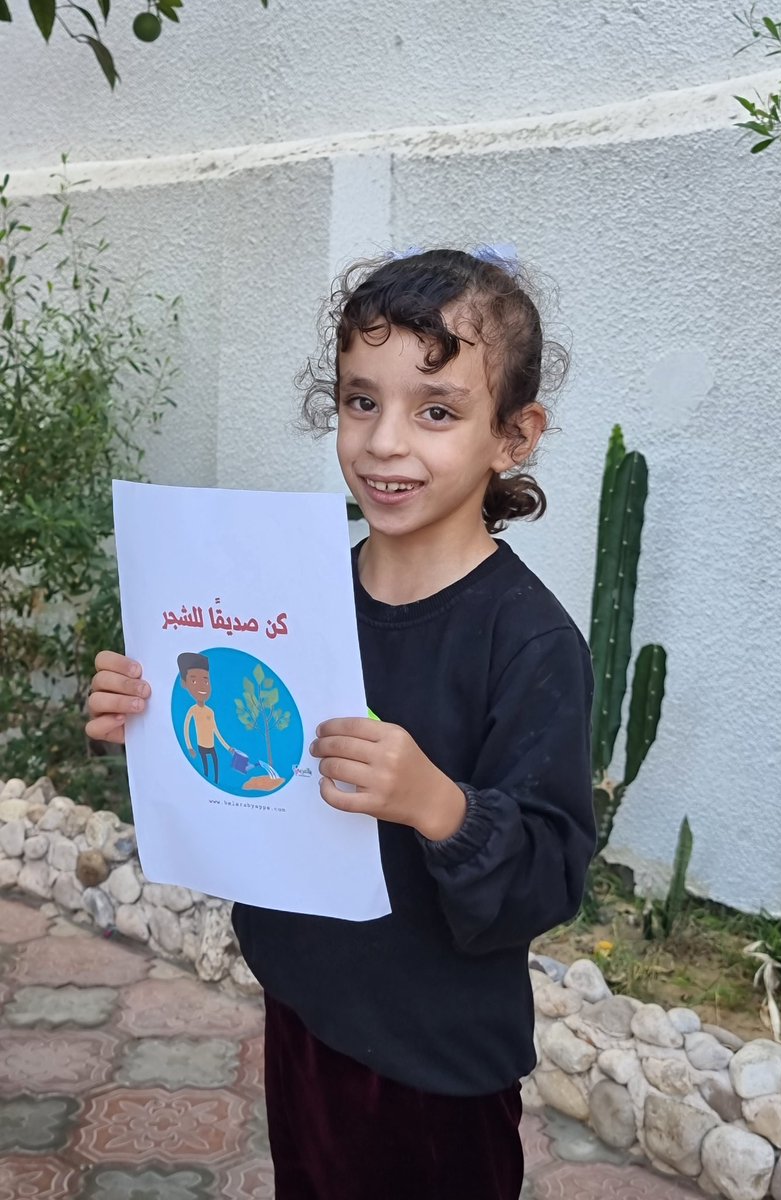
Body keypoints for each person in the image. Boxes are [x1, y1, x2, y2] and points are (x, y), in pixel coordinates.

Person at [86, 246, 596, 1200]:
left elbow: (550, 871)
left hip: (440, 1062)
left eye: (436, 410)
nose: (385, 442)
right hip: (311, 1013)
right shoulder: (293, 595)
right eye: (361, 402)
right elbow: (252, 762)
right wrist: (155, 718)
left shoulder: (529, 642)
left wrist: (439, 804)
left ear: (513, 436)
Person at [176, 651, 232, 784]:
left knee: (216, 768)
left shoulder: (210, 711)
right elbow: (186, 729)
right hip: (201, 746)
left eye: (206, 681)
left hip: (211, 746)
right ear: (184, 683)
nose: (201, 686)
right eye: (194, 680)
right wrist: (189, 747)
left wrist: (228, 747)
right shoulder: (192, 710)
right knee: (205, 771)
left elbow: (215, 731)